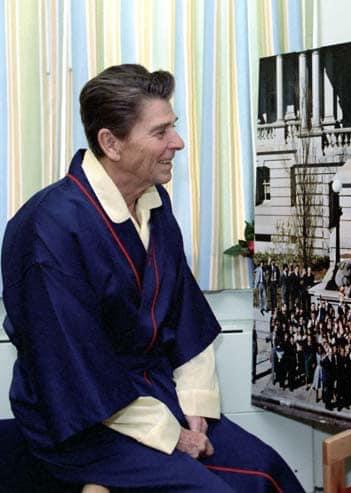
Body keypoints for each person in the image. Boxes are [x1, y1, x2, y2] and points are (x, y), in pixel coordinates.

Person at [1, 64, 303, 492]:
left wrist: (195, 403)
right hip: (82, 420)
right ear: (111, 143)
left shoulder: (153, 202)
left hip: (158, 394)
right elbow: (72, 367)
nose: (177, 142)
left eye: (172, 128)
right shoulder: (47, 229)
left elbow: (183, 310)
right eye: (161, 132)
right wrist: (170, 433)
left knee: (267, 471)